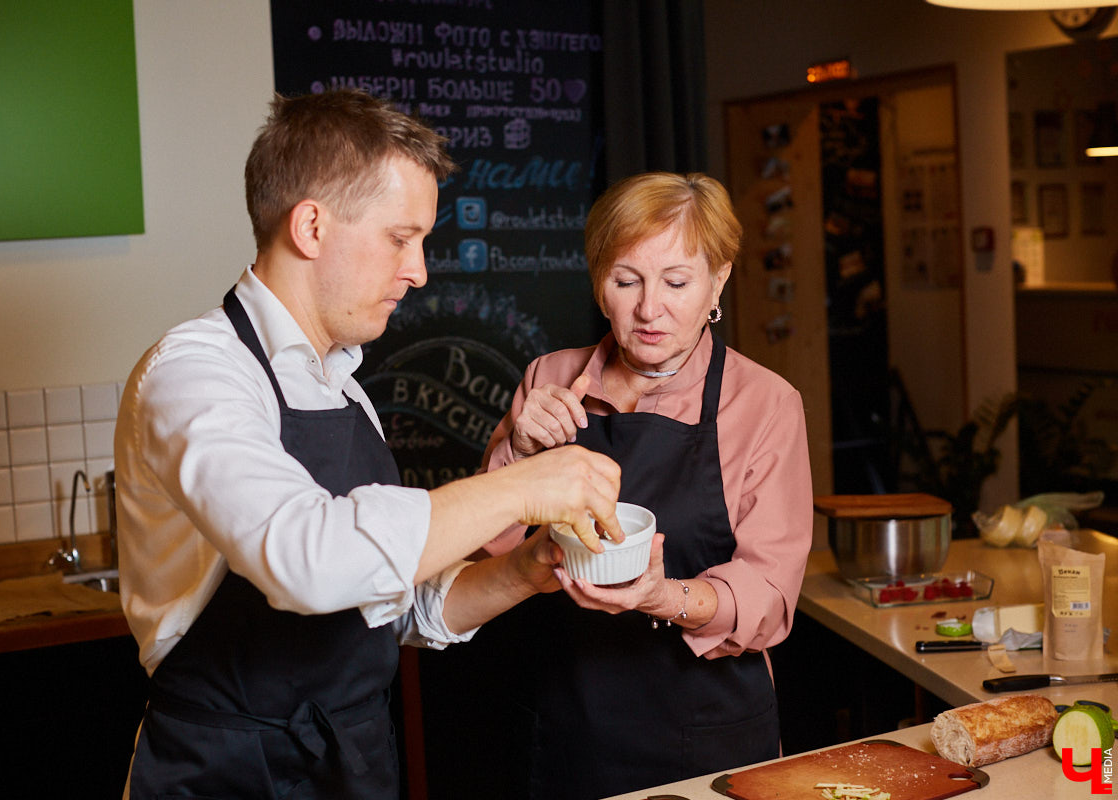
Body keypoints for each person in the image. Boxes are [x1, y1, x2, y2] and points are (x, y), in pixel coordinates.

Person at [113, 89, 624, 800]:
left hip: (352, 765)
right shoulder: (196, 372)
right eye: (400, 238)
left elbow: (392, 603)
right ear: (312, 226)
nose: (419, 270)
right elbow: (306, 560)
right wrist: (521, 487)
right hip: (224, 772)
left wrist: (521, 572)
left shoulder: (344, 386)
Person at [440, 171, 813, 799]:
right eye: (626, 280)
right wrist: (518, 454)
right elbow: (484, 556)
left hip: (707, 733)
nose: (648, 309)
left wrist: (660, 596)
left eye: (676, 282)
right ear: (598, 283)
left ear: (718, 280)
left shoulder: (765, 403)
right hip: (564, 726)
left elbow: (771, 597)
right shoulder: (550, 379)